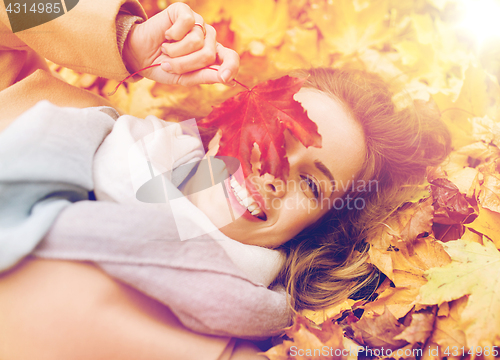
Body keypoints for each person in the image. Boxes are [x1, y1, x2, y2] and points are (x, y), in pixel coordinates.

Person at [0, 1, 451, 359]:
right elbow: (16, 10)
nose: (271, 170)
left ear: (317, 228)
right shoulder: (62, 114)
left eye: (311, 185)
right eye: (279, 131)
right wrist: (124, 38)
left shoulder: (224, 343)